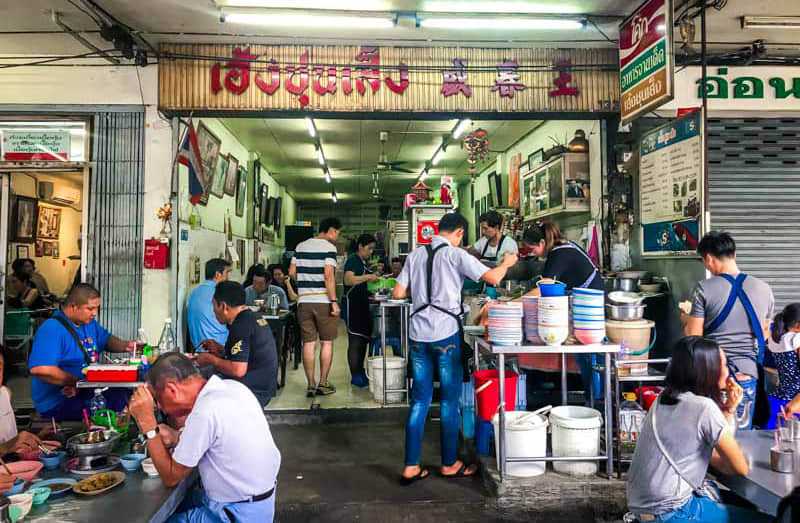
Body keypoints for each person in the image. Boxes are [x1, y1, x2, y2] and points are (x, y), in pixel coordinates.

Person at [393, 212, 517, 484]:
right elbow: (494, 278)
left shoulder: (415, 255)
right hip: (445, 335)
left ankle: (411, 466)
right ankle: (449, 463)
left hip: (418, 335)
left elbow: (398, 293)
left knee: (420, 401)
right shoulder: (455, 255)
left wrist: (424, 294)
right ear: (459, 233)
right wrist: (507, 262)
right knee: (449, 401)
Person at [627, 336, 771, 523]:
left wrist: (728, 409)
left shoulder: (665, 398)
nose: (728, 372)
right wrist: (729, 411)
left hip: (645, 510)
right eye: (725, 365)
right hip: (673, 512)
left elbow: (710, 456)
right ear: (709, 370)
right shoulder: (703, 407)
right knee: (769, 519)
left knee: (742, 503)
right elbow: (740, 467)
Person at [127, 353, 280, 522]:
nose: (161, 409)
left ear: (172, 389)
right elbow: (218, 437)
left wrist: (148, 424)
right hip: (259, 505)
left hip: (237, 513)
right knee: (185, 500)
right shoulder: (232, 388)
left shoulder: (205, 410)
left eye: (158, 401)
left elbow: (171, 476)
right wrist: (177, 436)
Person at [682, 231, 774, 430]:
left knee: (713, 439)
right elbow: (765, 334)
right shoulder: (764, 289)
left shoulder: (703, 289)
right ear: (734, 254)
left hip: (714, 374)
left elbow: (693, 338)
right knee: (742, 441)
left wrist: (685, 319)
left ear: (708, 258)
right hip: (748, 375)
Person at [521, 220, 603, 403]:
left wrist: (515, 302)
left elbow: (544, 288)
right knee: (584, 355)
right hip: (583, 303)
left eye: (531, 248)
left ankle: (597, 401)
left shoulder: (559, 253)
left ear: (542, 243)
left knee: (590, 356)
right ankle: (592, 399)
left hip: (589, 306)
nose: (532, 253)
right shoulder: (561, 247)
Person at [28, 284, 136, 421]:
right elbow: (41, 369)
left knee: (125, 394)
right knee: (116, 406)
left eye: (97, 308)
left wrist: (127, 346)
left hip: (84, 390)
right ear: (73, 307)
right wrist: (75, 382)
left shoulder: (89, 323)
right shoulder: (52, 329)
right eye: (90, 308)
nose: (95, 313)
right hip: (59, 401)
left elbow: (106, 339)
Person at [195, 281, 278, 407]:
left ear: (223, 306)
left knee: (199, 385)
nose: (213, 311)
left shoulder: (240, 325)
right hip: (264, 385)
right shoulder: (252, 317)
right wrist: (220, 349)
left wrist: (210, 359)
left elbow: (238, 370)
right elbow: (246, 353)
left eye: (214, 306)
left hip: (253, 390)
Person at [289, 217, 341, 398]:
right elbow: (328, 276)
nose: (337, 237)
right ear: (331, 230)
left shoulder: (300, 246)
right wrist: (334, 301)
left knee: (308, 344)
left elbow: (291, 272)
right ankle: (323, 383)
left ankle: (310, 385)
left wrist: (305, 285)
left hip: (304, 301)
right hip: (324, 301)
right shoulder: (329, 248)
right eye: (337, 233)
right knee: (326, 342)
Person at [342, 234, 379, 388]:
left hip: (362, 305)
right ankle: (355, 375)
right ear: (360, 246)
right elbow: (348, 280)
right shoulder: (352, 260)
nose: (371, 252)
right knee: (356, 340)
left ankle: (360, 370)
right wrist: (368, 277)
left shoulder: (362, 262)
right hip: (353, 306)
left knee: (363, 339)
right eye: (369, 248)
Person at [187, 258, 231, 352]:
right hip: (218, 347)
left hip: (197, 346)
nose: (228, 277)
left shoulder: (194, 292)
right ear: (217, 275)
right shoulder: (220, 293)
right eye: (227, 273)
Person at [768, 303, 800, 415]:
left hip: (778, 399)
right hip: (795, 404)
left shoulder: (775, 338)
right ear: (797, 325)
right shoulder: (796, 339)